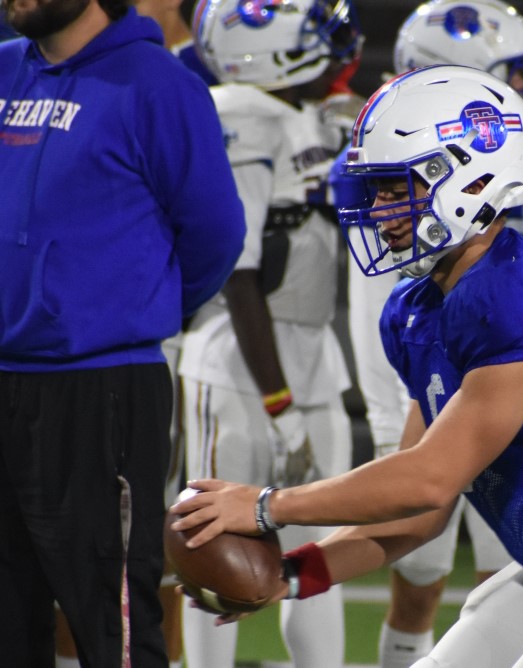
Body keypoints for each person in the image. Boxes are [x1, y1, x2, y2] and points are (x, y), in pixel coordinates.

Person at [173, 63, 523, 668]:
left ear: (467, 179)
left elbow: (430, 479)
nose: (379, 210)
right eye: (376, 191)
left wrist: (266, 505)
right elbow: (421, 514)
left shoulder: (515, 290)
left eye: (395, 188)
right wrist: (291, 574)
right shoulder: (421, 310)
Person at [0, 0, 245, 663]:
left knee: (114, 629)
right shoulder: (3, 70)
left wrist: (127, 312)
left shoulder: (159, 85)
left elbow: (216, 235)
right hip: (5, 380)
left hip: (101, 386)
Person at [340, 2, 523, 665]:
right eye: (507, 75)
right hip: (437, 382)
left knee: (502, 591)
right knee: (422, 577)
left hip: (507, 400)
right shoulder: (417, 292)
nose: (518, 91)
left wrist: (272, 514)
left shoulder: (512, 286)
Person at [176, 0, 362, 666]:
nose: (334, 46)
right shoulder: (241, 114)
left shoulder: (303, 114)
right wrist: (278, 403)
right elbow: (241, 271)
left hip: (312, 353)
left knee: (321, 549)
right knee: (210, 553)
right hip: (239, 362)